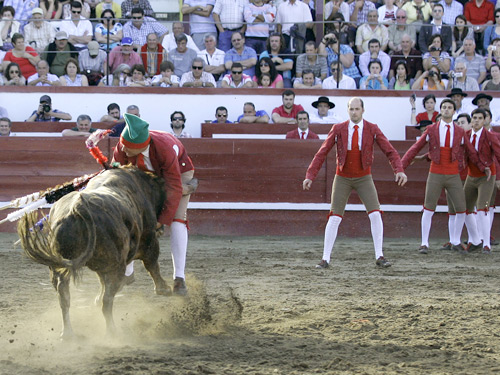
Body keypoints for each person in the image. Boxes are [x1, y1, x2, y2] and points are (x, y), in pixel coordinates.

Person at [304, 97, 407, 269]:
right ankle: (325, 258)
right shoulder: (338, 128)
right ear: (348, 110)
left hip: (363, 177)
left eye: (357, 109)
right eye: (351, 109)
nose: (354, 112)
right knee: (335, 216)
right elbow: (321, 153)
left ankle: (379, 255)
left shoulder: (372, 128)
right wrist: (310, 175)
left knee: (375, 213)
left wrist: (399, 170)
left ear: (363, 110)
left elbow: (390, 151)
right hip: (342, 177)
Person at [112, 113, 195, 295]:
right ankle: (127, 272)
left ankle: (179, 278)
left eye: (127, 148)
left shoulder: (164, 148)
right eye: (122, 145)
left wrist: (162, 220)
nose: (122, 150)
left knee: (177, 219)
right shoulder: (122, 147)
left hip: (178, 174)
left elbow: (173, 186)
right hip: (143, 177)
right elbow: (116, 177)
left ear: (140, 147)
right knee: (129, 215)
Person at [401, 99, 487, 254]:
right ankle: (424, 243)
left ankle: (455, 240)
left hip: (453, 174)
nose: (447, 110)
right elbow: (416, 147)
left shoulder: (459, 131)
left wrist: (482, 167)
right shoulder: (432, 129)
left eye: (449, 108)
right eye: (444, 107)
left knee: (461, 209)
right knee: (428, 208)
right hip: (436, 172)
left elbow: (471, 153)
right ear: (440, 110)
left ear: (454, 111)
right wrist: (401, 165)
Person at [461, 108, 500, 255]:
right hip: (471, 176)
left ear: (484, 121)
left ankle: (486, 244)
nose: (476, 120)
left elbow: (499, 155)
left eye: (479, 118)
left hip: (487, 177)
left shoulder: (489, 137)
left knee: (483, 207)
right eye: (474, 118)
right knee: (464, 208)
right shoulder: (466, 135)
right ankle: (476, 240)